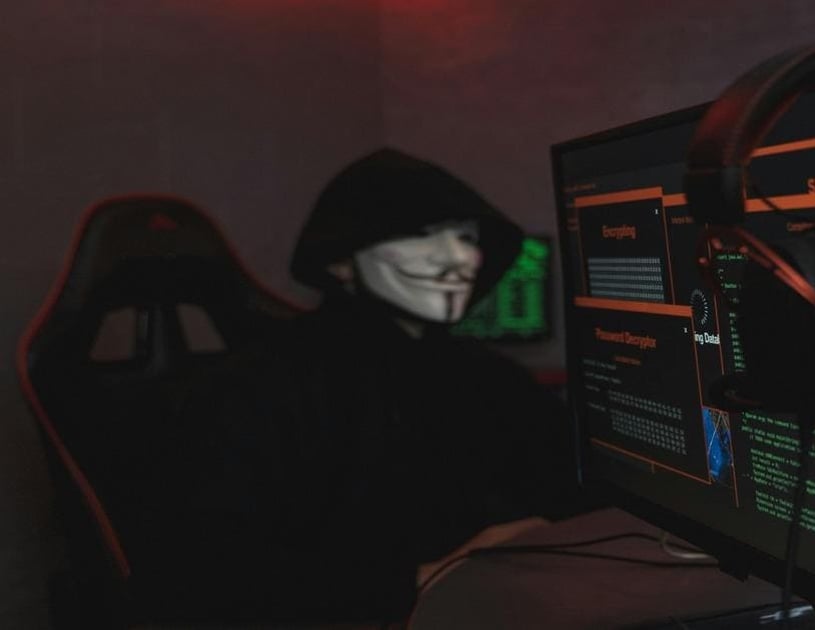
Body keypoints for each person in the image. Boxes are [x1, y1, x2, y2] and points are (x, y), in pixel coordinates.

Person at [125, 148, 588, 624]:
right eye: (421, 235)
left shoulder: (486, 376)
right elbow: (210, 578)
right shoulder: (257, 390)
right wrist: (432, 575)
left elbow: (570, 476)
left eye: (467, 235)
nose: (459, 257)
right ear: (341, 263)